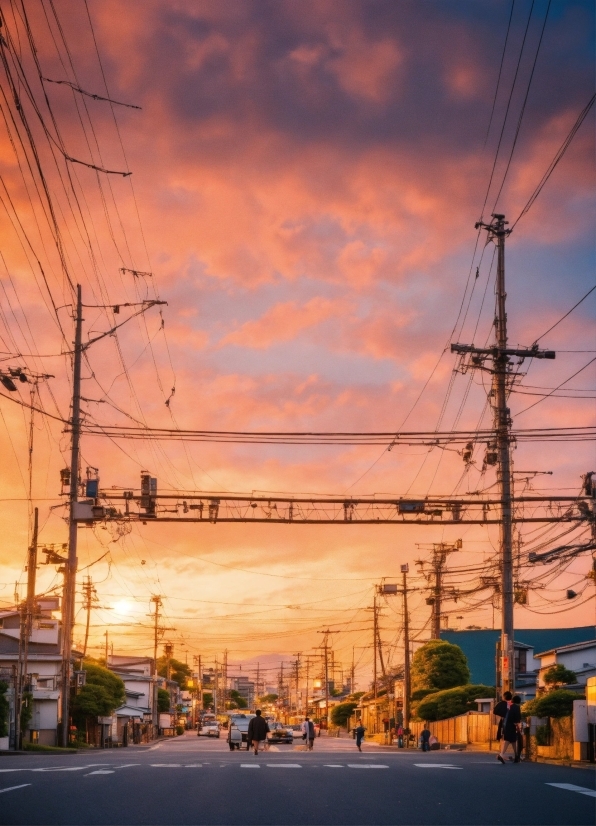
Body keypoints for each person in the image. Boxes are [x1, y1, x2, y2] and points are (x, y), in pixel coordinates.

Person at [498, 695, 521, 764]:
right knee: (508, 740)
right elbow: (517, 717)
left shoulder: (509, 706)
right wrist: (517, 725)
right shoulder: (516, 707)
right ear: (518, 701)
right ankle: (501, 755)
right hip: (512, 725)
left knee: (512, 740)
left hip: (506, 725)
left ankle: (516, 756)